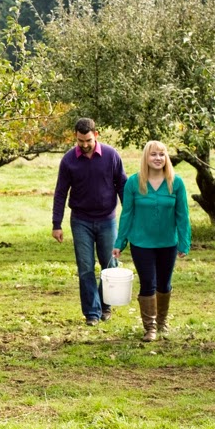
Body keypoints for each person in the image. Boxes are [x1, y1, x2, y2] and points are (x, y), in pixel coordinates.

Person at [112, 140, 191, 342]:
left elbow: (182, 215)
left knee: (164, 284)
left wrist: (184, 242)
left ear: (166, 158)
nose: (158, 158)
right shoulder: (133, 183)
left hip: (167, 243)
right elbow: (127, 214)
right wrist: (119, 242)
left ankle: (162, 321)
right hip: (141, 243)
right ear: (146, 157)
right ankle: (150, 328)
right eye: (153, 154)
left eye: (162, 154)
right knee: (148, 282)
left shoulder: (176, 183)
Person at [52, 117, 127, 326]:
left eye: (88, 140)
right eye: (80, 141)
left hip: (107, 219)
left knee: (109, 264)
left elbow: (122, 186)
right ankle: (92, 313)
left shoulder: (111, 156)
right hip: (81, 220)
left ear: (96, 135)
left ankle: (106, 306)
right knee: (85, 267)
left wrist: (130, 218)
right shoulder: (68, 160)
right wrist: (56, 224)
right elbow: (60, 193)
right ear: (75, 137)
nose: (84, 145)